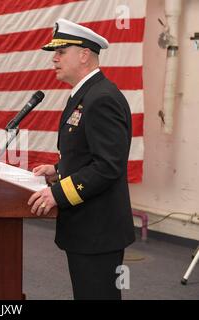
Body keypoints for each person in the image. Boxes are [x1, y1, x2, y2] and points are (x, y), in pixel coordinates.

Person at [27, 19, 135, 300]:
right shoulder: (86, 95)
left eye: (61, 52)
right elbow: (89, 153)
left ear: (84, 55)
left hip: (98, 229)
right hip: (87, 226)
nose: (54, 58)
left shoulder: (101, 98)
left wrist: (57, 194)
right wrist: (58, 169)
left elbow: (108, 166)